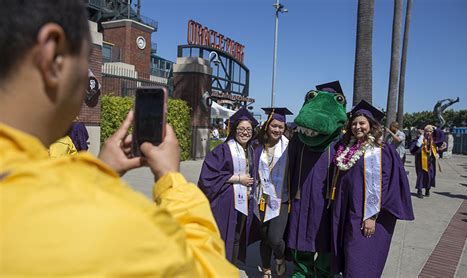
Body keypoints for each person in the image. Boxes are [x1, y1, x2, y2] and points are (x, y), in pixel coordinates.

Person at [0, 1, 238, 276]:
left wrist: (99, 172)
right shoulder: (118, 227)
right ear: (53, 54)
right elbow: (210, 270)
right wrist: (171, 180)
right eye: (86, 59)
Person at [330, 100, 414, 277]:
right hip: (346, 212)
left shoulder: (381, 150)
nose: (357, 127)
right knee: (347, 255)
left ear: (371, 125)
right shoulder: (346, 148)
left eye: (362, 123)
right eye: (354, 123)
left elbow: (385, 185)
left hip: (365, 215)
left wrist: (372, 216)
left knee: (359, 260)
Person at [286, 81, 348, 278]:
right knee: (301, 235)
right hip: (301, 196)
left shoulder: (341, 142)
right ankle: (301, 272)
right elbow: (290, 165)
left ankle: (322, 272)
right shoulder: (298, 139)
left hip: (327, 201)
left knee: (325, 238)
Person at [198, 107, 258, 264]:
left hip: (245, 201)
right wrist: (238, 179)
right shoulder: (223, 149)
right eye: (241, 129)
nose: (245, 132)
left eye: (248, 129)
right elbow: (208, 175)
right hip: (226, 202)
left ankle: (230, 267)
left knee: (237, 236)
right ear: (234, 130)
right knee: (223, 234)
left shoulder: (251, 150)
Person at [253, 107, 292, 277]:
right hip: (260, 197)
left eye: (280, 127)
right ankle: (266, 268)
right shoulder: (257, 146)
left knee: (275, 238)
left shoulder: (289, 147)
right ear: (267, 125)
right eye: (274, 126)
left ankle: (280, 256)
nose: (277, 130)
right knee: (264, 236)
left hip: (280, 198)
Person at [409, 123, 445, 198]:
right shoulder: (420, 139)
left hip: (431, 160)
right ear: (424, 131)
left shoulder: (433, 140)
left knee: (430, 175)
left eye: (430, 131)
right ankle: (419, 191)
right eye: (427, 131)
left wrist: (434, 127)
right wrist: (421, 138)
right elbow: (414, 149)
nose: (429, 133)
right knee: (421, 175)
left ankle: (427, 189)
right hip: (421, 161)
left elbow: (441, 134)